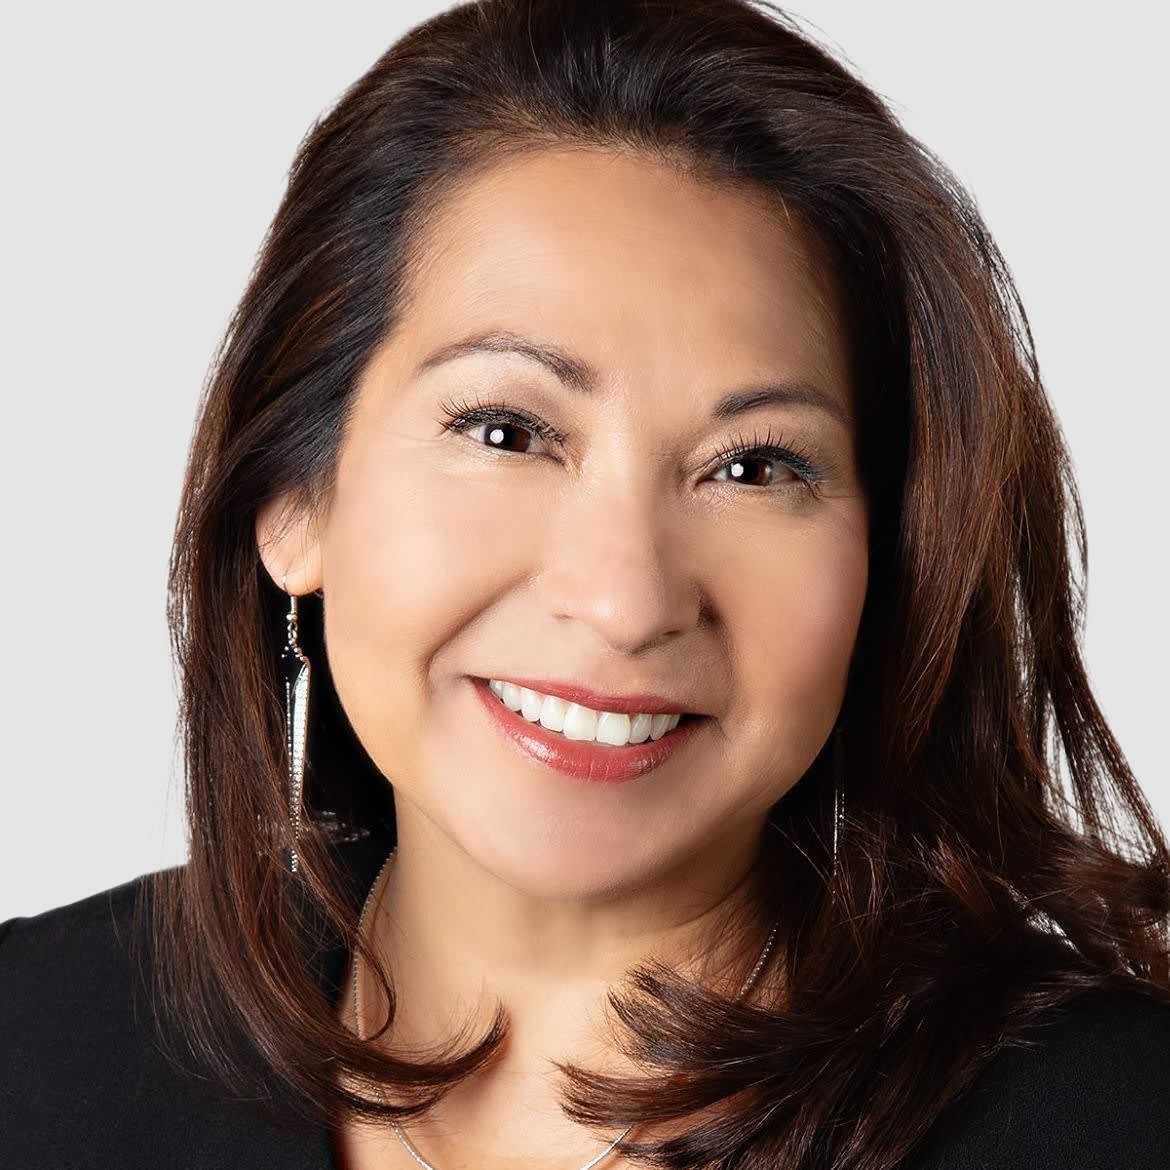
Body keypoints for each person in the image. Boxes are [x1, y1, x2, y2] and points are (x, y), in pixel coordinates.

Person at [3, 1, 1168, 1167]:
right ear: (294, 500)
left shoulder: (1119, 1122)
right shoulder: (37, 1040)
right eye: (507, 432)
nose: (625, 599)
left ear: (893, 555)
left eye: (754, 468)